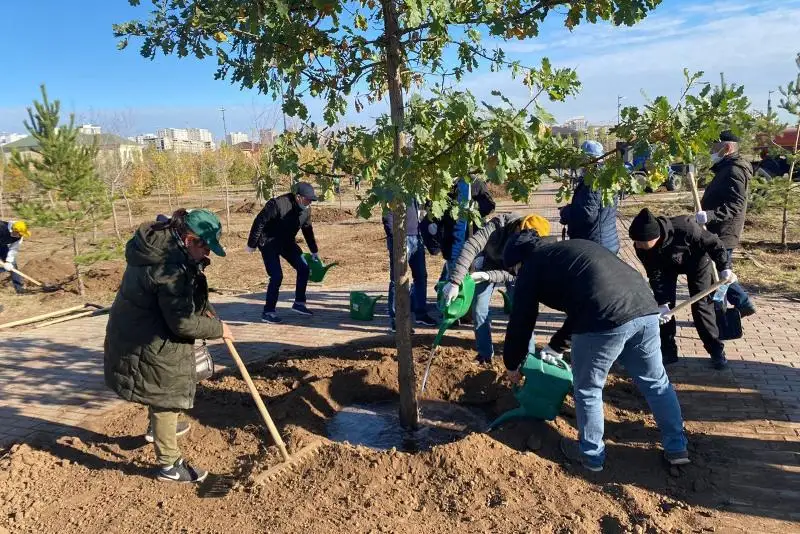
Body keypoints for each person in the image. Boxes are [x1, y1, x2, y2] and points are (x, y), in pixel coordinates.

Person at [503, 232, 689, 472]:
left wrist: (511, 363)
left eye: (513, 271)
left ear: (518, 262)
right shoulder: (571, 250)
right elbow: (588, 300)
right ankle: (676, 448)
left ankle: (591, 456)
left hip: (605, 320)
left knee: (588, 389)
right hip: (646, 310)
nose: (515, 276)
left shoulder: (531, 266)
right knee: (656, 382)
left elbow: (522, 319)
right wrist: (556, 345)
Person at [104, 208, 234, 483]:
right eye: (206, 247)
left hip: (140, 328)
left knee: (161, 387)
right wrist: (219, 329)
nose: (208, 254)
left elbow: (187, 292)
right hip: (147, 338)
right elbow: (183, 323)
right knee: (166, 393)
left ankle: (159, 429)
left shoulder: (164, 245)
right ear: (189, 240)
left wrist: (203, 305)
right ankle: (170, 466)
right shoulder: (169, 270)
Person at [629, 208, 734, 370]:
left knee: (701, 307)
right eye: (635, 242)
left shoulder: (686, 227)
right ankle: (668, 351)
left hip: (697, 262)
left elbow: (715, 244)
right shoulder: (642, 247)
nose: (637, 245)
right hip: (666, 268)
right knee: (665, 311)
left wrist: (724, 268)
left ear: (654, 237)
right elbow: (654, 274)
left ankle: (716, 350)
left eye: (641, 242)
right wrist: (662, 302)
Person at [443, 213, 549, 364]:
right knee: (479, 308)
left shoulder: (531, 250)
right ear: (518, 226)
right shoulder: (498, 225)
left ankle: (528, 358)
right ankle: (484, 354)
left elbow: (514, 275)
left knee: (522, 311)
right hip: (491, 263)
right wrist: (455, 281)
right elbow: (472, 244)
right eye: (519, 232)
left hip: (514, 271)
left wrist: (489, 276)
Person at [696, 130, 756, 317]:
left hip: (724, 231)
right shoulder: (726, 167)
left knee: (720, 274)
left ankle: (727, 311)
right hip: (718, 229)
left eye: (715, 147)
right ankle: (730, 308)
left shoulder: (734, 170)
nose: (711, 151)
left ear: (727, 148)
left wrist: (710, 215)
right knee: (720, 273)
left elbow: (735, 204)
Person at [246, 182, 320, 323]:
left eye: (312, 200)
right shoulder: (278, 204)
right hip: (268, 242)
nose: (310, 202)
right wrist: (252, 244)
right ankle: (268, 312)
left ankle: (299, 303)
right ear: (298, 197)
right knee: (277, 276)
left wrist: (314, 250)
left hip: (286, 241)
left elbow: (307, 230)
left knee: (304, 268)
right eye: (308, 199)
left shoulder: (305, 210)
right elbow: (259, 221)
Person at [383, 199, 438, 331]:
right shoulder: (392, 188)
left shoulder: (413, 186)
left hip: (416, 237)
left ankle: (420, 313)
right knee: (397, 277)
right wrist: (395, 236)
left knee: (421, 276)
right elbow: (387, 215)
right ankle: (396, 318)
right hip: (401, 237)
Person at [559, 140, 620, 254]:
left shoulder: (593, 181)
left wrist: (566, 212)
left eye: (581, 160)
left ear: (588, 160)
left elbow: (587, 214)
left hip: (595, 246)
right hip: (606, 241)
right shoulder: (608, 176)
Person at [0, 220, 30, 294]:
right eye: (19, 234)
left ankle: (19, 289)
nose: (21, 236)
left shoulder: (19, 237)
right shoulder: (1, 228)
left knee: (12, 266)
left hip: (2, 246)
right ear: (14, 230)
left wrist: (8, 261)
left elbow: (14, 248)